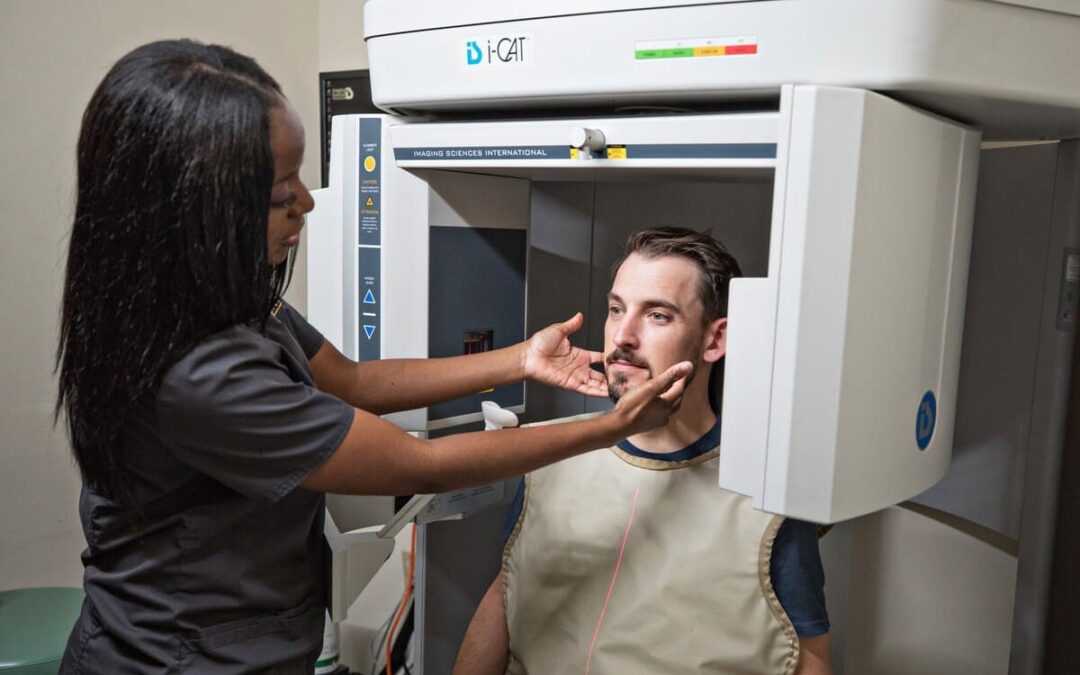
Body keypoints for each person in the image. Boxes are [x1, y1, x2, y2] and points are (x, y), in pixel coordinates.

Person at [54, 40, 693, 674]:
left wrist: (520, 360)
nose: (306, 203)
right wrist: (608, 427)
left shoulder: (221, 298)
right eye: (281, 193)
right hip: (175, 659)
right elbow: (424, 465)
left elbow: (354, 381)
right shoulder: (199, 374)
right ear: (197, 209)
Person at [453, 227, 832, 675]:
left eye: (658, 315)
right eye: (616, 309)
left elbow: (809, 657)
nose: (623, 336)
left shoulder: (766, 496)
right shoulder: (549, 456)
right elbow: (507, 594)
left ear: (715, 340)